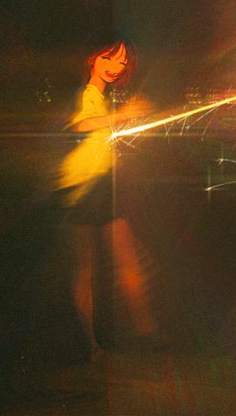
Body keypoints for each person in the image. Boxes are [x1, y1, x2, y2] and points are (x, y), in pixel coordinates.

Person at [56, 38, 155, 359]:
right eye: (109, 58)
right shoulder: (83, 93)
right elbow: (81, 125)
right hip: (80, 188)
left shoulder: (100, 96)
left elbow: (97, 136)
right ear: (92, 57)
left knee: (124, 261)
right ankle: (94, 344)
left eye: (122, 61)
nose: (116, 67)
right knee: (86, 269)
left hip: (98, 186)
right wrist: (123, 116)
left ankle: (143, 333)